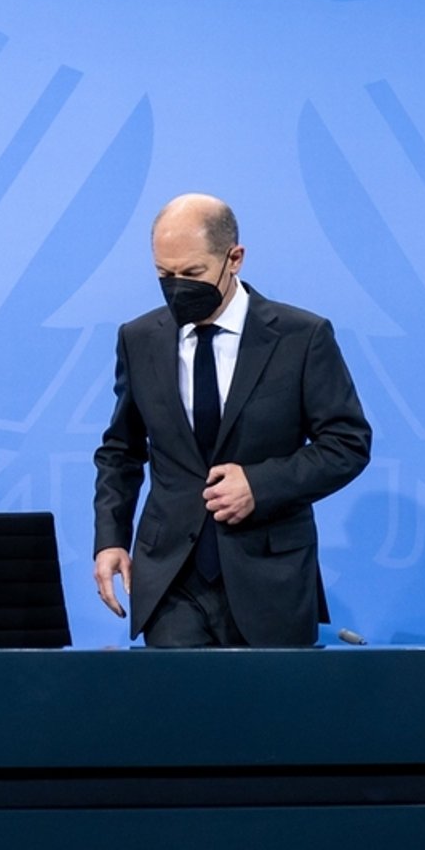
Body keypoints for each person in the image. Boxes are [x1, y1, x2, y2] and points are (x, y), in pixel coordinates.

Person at [93, 194, 372, 646]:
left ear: (234, 258)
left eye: (193, 274)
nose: (178, 286)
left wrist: (260, 486)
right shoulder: (139, 338)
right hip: (170, 579)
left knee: (268, 716)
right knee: (182, 713)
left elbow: (347, 443)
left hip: (269, 576)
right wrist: (110, 539)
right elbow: (120, 451)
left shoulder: (302, 337)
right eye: (165, 275)